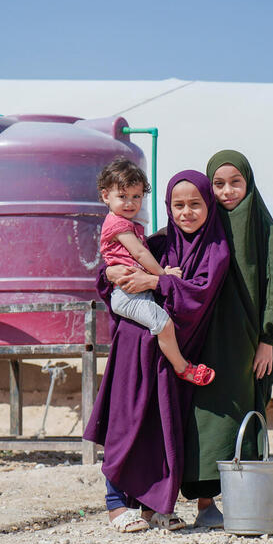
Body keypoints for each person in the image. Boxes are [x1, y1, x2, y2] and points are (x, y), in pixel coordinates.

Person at [84, 170, 230, 533]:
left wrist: (158, 281)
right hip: (134, 347)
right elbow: (112, 272)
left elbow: (198, 294)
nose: (186, 213)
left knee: (159, 428)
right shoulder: (161, 243)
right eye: (178, 205)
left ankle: (152, 506)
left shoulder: (216, 250)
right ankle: (117, 505)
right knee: (127, 420)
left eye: (195, 204)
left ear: (209, 206)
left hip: (168, 354)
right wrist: (114, 273)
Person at [180, 149, 273, 529]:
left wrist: (267, 340)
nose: (228, 191)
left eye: (235, 182)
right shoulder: (203, 223)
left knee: (237, 414)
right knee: (200, 416)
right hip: (202, 338)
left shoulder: (264, 228)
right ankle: (204, 502)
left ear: (249, 183)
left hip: (244, 345)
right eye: (219, 184)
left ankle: (240, 499)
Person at [96, 157, 215, 386]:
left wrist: (154, 277)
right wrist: (163, 275)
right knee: (163, 324)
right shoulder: (121, 226)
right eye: (122, 197)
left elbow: (135, 251)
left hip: (134, 300)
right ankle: (183, 367)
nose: (130, 203)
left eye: (136, 196)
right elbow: (139, 255)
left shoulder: (129, 226)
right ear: (105, 196)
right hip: (129, 299)